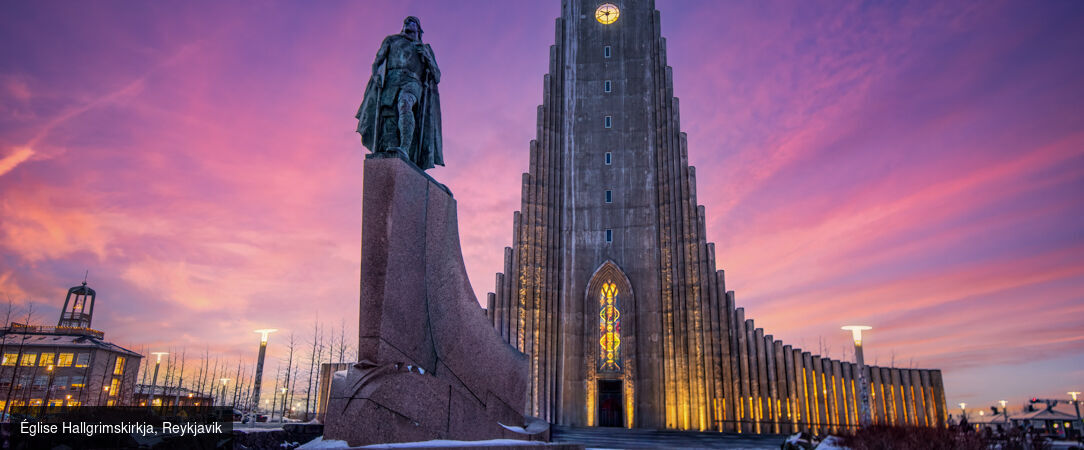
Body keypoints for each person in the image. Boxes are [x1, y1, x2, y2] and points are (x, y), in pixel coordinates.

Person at [357, 16, 443, 170]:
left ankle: (405, 148)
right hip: (391, 81)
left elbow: (436, 76)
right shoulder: (391, 40)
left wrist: (427, 57)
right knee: (389, 120)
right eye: (406, 25)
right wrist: (376, 75)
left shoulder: (425, 48)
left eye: (412, 24)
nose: (408, 27)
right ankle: (392, 154)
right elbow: (377, 62)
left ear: (418, 29)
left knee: (405, 104)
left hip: (412, 81)